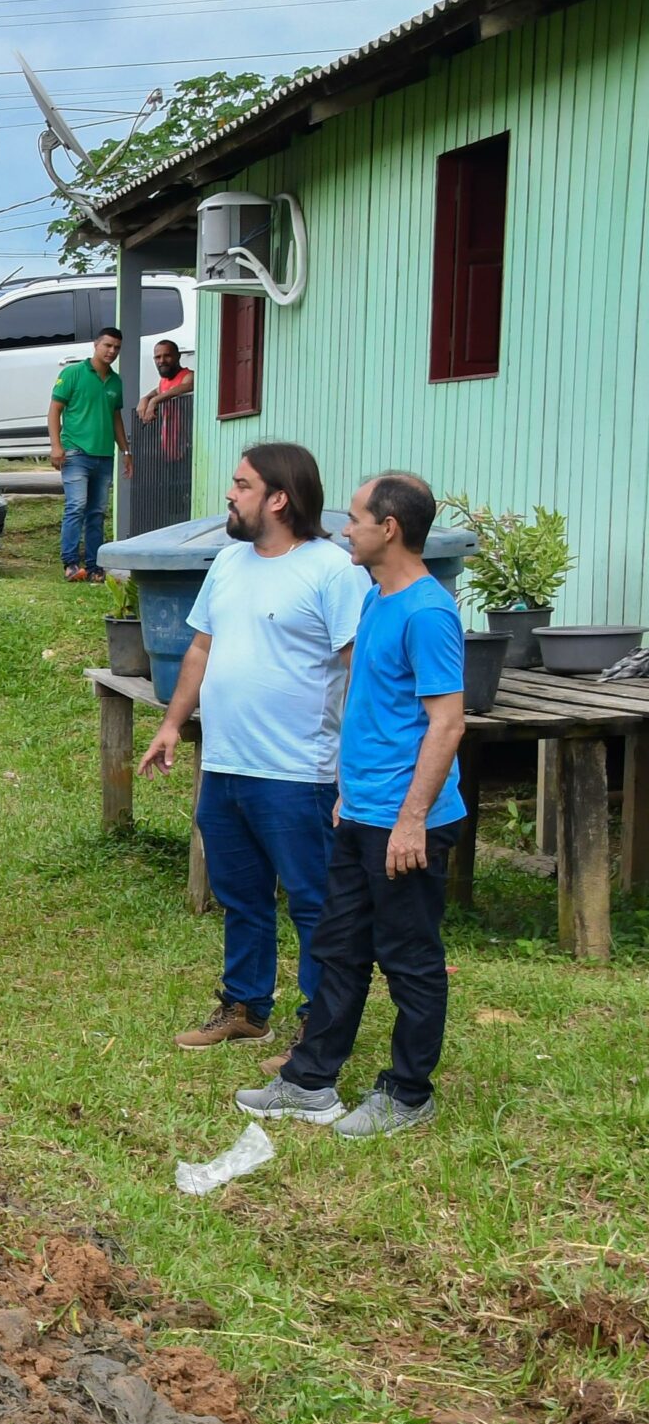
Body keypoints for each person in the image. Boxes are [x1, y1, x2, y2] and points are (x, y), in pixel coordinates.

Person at [237, 472, 467, 1138]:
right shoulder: (375, 598)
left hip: (406, 823)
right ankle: (310, 1081)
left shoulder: (427, 613)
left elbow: (447, 723)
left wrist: (411, 820)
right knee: (339, 948)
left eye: (357, 519)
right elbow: (371, 709)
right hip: (362, 812)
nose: (345, 530)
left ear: (388, 528)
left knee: (409, 959)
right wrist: (348, 793)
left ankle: (408, 1094)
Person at [138, 444, 365, 1052]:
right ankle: (245, 1007)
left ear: (279, 498)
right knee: (241, 896)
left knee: (314, 904)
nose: (230, 494)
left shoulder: (333, 571)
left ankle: (319, 1027)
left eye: (242, 485)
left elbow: (360, 669)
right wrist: (172, 724)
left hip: (299, 773)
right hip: (225, 764)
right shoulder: (229, 561)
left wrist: (358, 766)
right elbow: (200, 648)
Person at [48, 326, 134, 582]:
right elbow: (54, 410)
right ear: (96, 345)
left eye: (117, 347)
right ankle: (71, 564)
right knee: (76, 506)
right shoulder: (73, 373)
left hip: (104, 455)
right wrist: (56, 446)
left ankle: (95, 567)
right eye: (107, 345)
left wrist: (126, 450)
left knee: (97, 511)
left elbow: (115, 417)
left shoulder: (116, 381)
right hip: (75, 452)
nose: (112, 351)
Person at [138, 338, 194, 462]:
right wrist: (145, 399)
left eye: (167, 356)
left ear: (178, 356)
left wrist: (154, 401)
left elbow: (188, 385)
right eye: (157, 357)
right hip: (168, 448)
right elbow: (156, 391)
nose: (162, 360)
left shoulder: (188, 375)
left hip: (188, 444)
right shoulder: (163, 382)